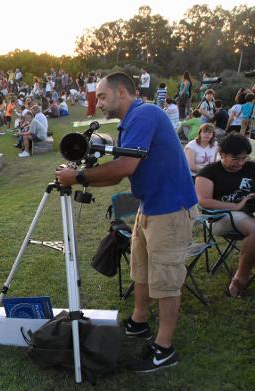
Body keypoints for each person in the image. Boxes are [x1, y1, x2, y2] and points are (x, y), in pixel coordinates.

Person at [56, 72, 198, 373]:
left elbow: (124, 167)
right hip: (150, 206)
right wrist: (82, 175)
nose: (99, 101)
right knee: (142, 269)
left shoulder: (145, 113)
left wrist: (78, 177)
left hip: (170, 209)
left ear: (122, 92)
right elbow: (120, 171)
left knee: (166, 278)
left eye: (103, 96)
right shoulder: (131, 121)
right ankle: (139, 321)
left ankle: (164, 348)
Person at [195, 135, 255, 298]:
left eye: (244, 158)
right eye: (236, 158)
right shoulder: (208, 172)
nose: (241, 163)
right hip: (219, 217)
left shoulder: (251, 167)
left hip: (248, 213)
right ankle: (240, 278)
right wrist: (235, 206)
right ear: (222, 154)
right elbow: (204, 201)